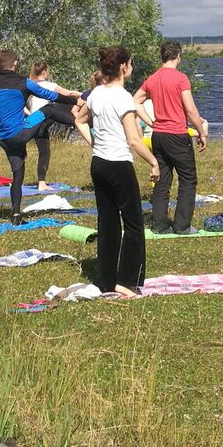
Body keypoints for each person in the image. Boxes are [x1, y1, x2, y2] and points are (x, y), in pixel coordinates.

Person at [74, 45, 159, 296]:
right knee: (133, 224)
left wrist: (95, 142)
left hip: (98, 163)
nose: (131, 67)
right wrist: (153, 163)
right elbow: (134, 140)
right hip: (119, 164)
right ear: (123, 67)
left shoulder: (96, 93)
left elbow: (79, 120)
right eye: (130, 63)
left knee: (108, 223)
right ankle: (127, 281)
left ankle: (106, 279)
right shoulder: (123, 97)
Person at [0, 50, 80, 224]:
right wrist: (76, 101)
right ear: (15, 63)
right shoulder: (24, 83)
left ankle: (15, 214)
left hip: (3, 139)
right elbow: (51, 96)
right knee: (49, 109)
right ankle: (80, 124)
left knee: (18, 173)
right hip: (20, 132)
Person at [135, 41, 209, 234]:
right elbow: (190, 109)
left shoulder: (152, 78)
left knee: (162, 179)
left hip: (158, 135)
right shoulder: (181, 78)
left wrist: (150, 121)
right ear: (178, 56)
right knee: (187, 179)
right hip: (177, 134)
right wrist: (201, 132)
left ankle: (159, 225)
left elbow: (135, 101)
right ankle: (182, 226)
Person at [25, 60, 76, 186]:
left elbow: (21, 105)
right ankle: (78, 121)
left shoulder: (29, 86)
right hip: (44, 118)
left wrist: (29, 115)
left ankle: (41, 184)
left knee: (44, 151)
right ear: (44, 72)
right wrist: (85, 95)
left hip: (34, 123)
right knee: (55, 108)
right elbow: (68, 93)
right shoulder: (49, 85)